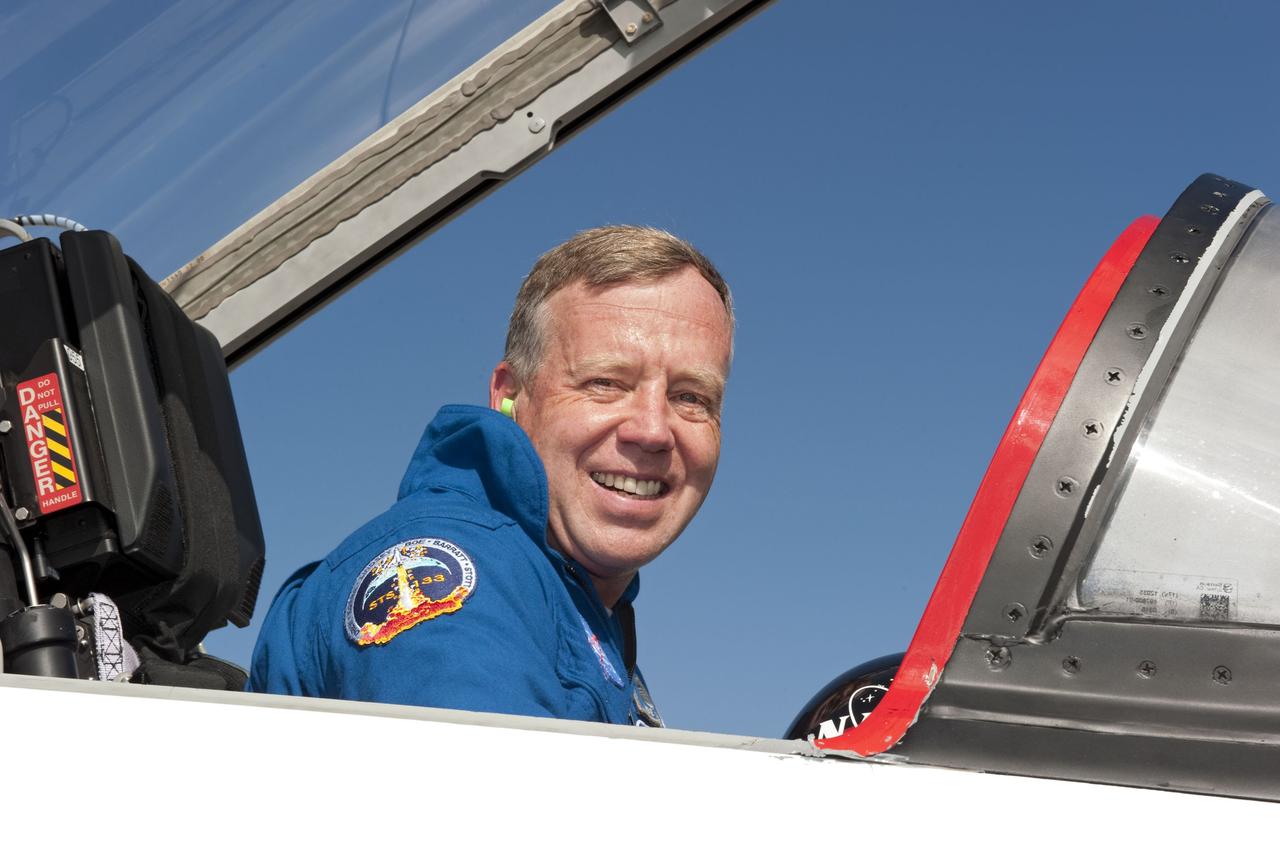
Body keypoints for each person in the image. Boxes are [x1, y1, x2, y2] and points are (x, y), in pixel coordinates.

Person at [249, 226, 733, 726]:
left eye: (691, 397)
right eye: (605, 383)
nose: (653, 430)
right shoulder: (462, 580)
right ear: (509, 396)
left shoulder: (573, 610)